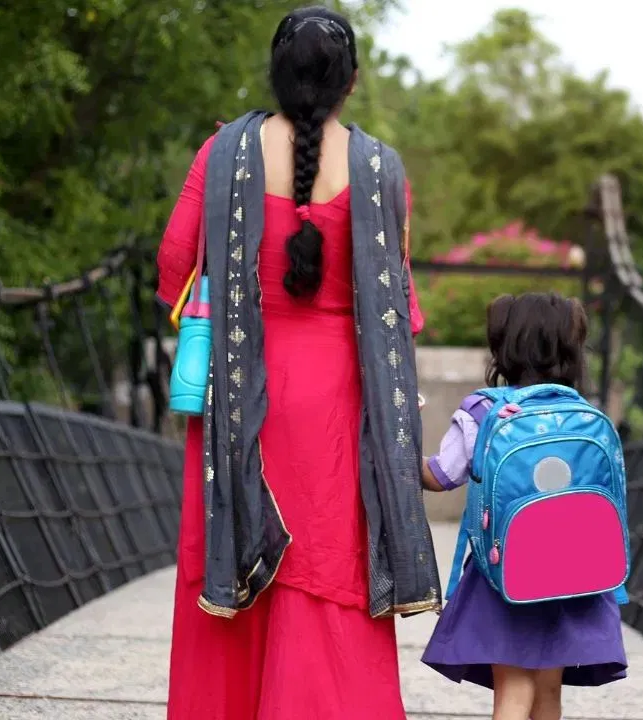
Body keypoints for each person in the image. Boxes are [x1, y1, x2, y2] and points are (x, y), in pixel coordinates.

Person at [155, 7, 439, 719]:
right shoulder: (380, 169)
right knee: (327, 578)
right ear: (352, 82)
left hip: (238, 395)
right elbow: (401, 308)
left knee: (233, 570)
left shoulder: (222, 152)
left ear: (276, 74)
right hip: (341, 407)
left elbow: (173, 268)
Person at [418, 292, 629, 720]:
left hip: (506, 575)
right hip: (573, 574)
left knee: (512, 690)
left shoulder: (484, 411)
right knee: (549, 692)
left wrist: (398, 443)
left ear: (503, 347)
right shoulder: (584, 414)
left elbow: (440, 477)